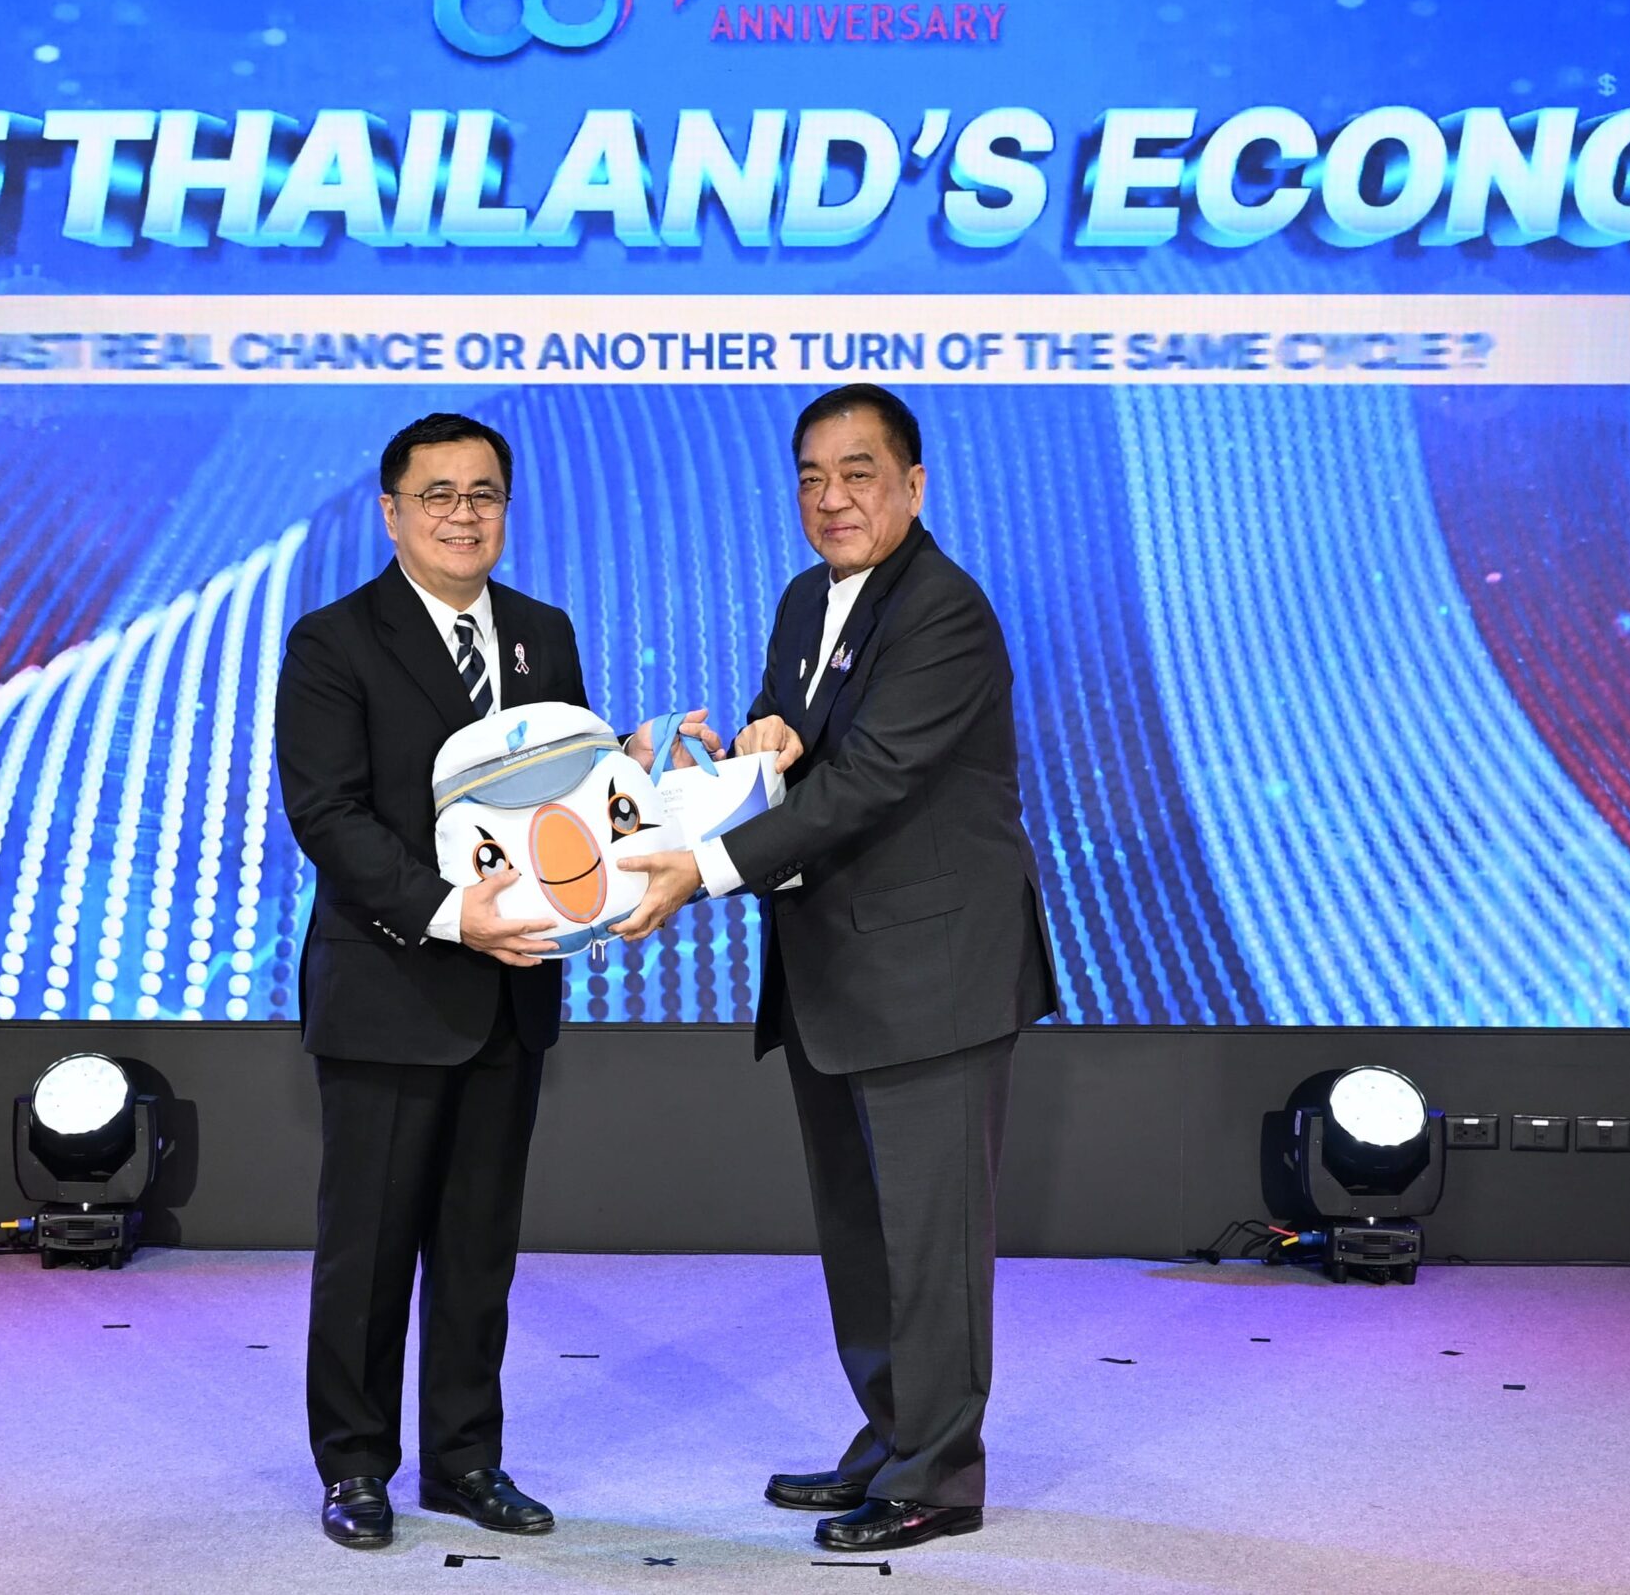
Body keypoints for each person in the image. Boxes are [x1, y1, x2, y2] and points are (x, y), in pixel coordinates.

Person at [617, 382, 1060, 1553]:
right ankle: (890, 1436)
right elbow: (794, 748)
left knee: (930, 1242)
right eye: (811, 476)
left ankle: (939, 1475)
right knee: (864, 1235)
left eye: (858, 472)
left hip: (932, 976)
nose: (831, 497)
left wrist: (703, 866)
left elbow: (868, 781)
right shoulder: (804, 598)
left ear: (913, 484)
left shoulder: (945, 610)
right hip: (834, 970)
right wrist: (741, 752)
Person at [278, 412, 624, 1550]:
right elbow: (328, 814)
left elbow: (567, 791)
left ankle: (467, 1458)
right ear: (392, 512)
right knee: (370, 1251)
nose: (463, 514)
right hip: (390, 987)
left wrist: (640, 771)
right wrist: (448, 912)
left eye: (483, 494)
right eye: (438, 494)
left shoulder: (542, 633)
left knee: (479, 1249)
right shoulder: (333, 640)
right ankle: (354, 1466)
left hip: (511, 990)